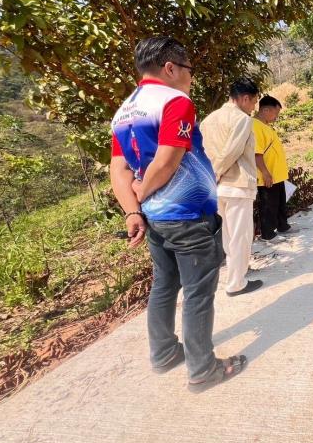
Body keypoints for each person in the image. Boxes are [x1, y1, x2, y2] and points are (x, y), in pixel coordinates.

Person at [109, 36, 246, 393]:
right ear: (170, 68)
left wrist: (133, 210)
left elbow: (118, 169)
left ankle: (165, 352)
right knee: (199, 292)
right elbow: (168, 160)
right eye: (188, 69)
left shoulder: (124, 111)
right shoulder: (175, 101)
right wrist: (144, 192)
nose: (190, 77)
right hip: (187, 215)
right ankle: (203, 370)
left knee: (165, 284)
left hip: (155, 219)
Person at [200, 78, 262, 297]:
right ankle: (237, 283)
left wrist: (211, 178)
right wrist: (217, 172)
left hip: (217, 188)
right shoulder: (242, 119)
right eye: (253, 102)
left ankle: (235, 274)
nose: (253, 107)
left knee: (228, 235)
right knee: (240, 236)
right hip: (237, 185)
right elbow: (232, 152)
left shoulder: (208, 120)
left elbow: (203, 152)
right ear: (244, 98)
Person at [252, 95, 290, 240]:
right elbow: (257, 153)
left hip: (277, 174)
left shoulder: (266, 126)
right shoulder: (255, 125)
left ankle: (282, 226)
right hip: (268, 175)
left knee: (279, 203)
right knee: (269, 205)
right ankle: (268, 234)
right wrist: (265, 173)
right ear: (266, 110)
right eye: (276, 113)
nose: (276, 117)